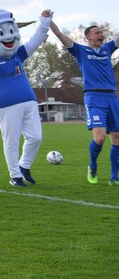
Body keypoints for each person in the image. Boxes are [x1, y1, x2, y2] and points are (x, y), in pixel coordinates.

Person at [0, 8, 52, 187]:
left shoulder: (18, 55)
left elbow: (35, 41)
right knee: (11, 140)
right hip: (5, 105)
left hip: (29, 101)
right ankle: (14, 176)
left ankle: (24, 166)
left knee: (36, 137)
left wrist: (44, 22)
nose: (8, 38)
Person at [49, 19, 119, 185]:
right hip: (94, 97)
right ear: (88, 37)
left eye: (101, 32)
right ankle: (93, 166)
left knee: (117, 137)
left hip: (111, 97)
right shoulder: (81, 51)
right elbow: (59, 35)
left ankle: (114, 177)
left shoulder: (107, 49)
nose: (101, 34)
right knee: (100, 138)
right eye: (97, 32)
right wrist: (48, 21)